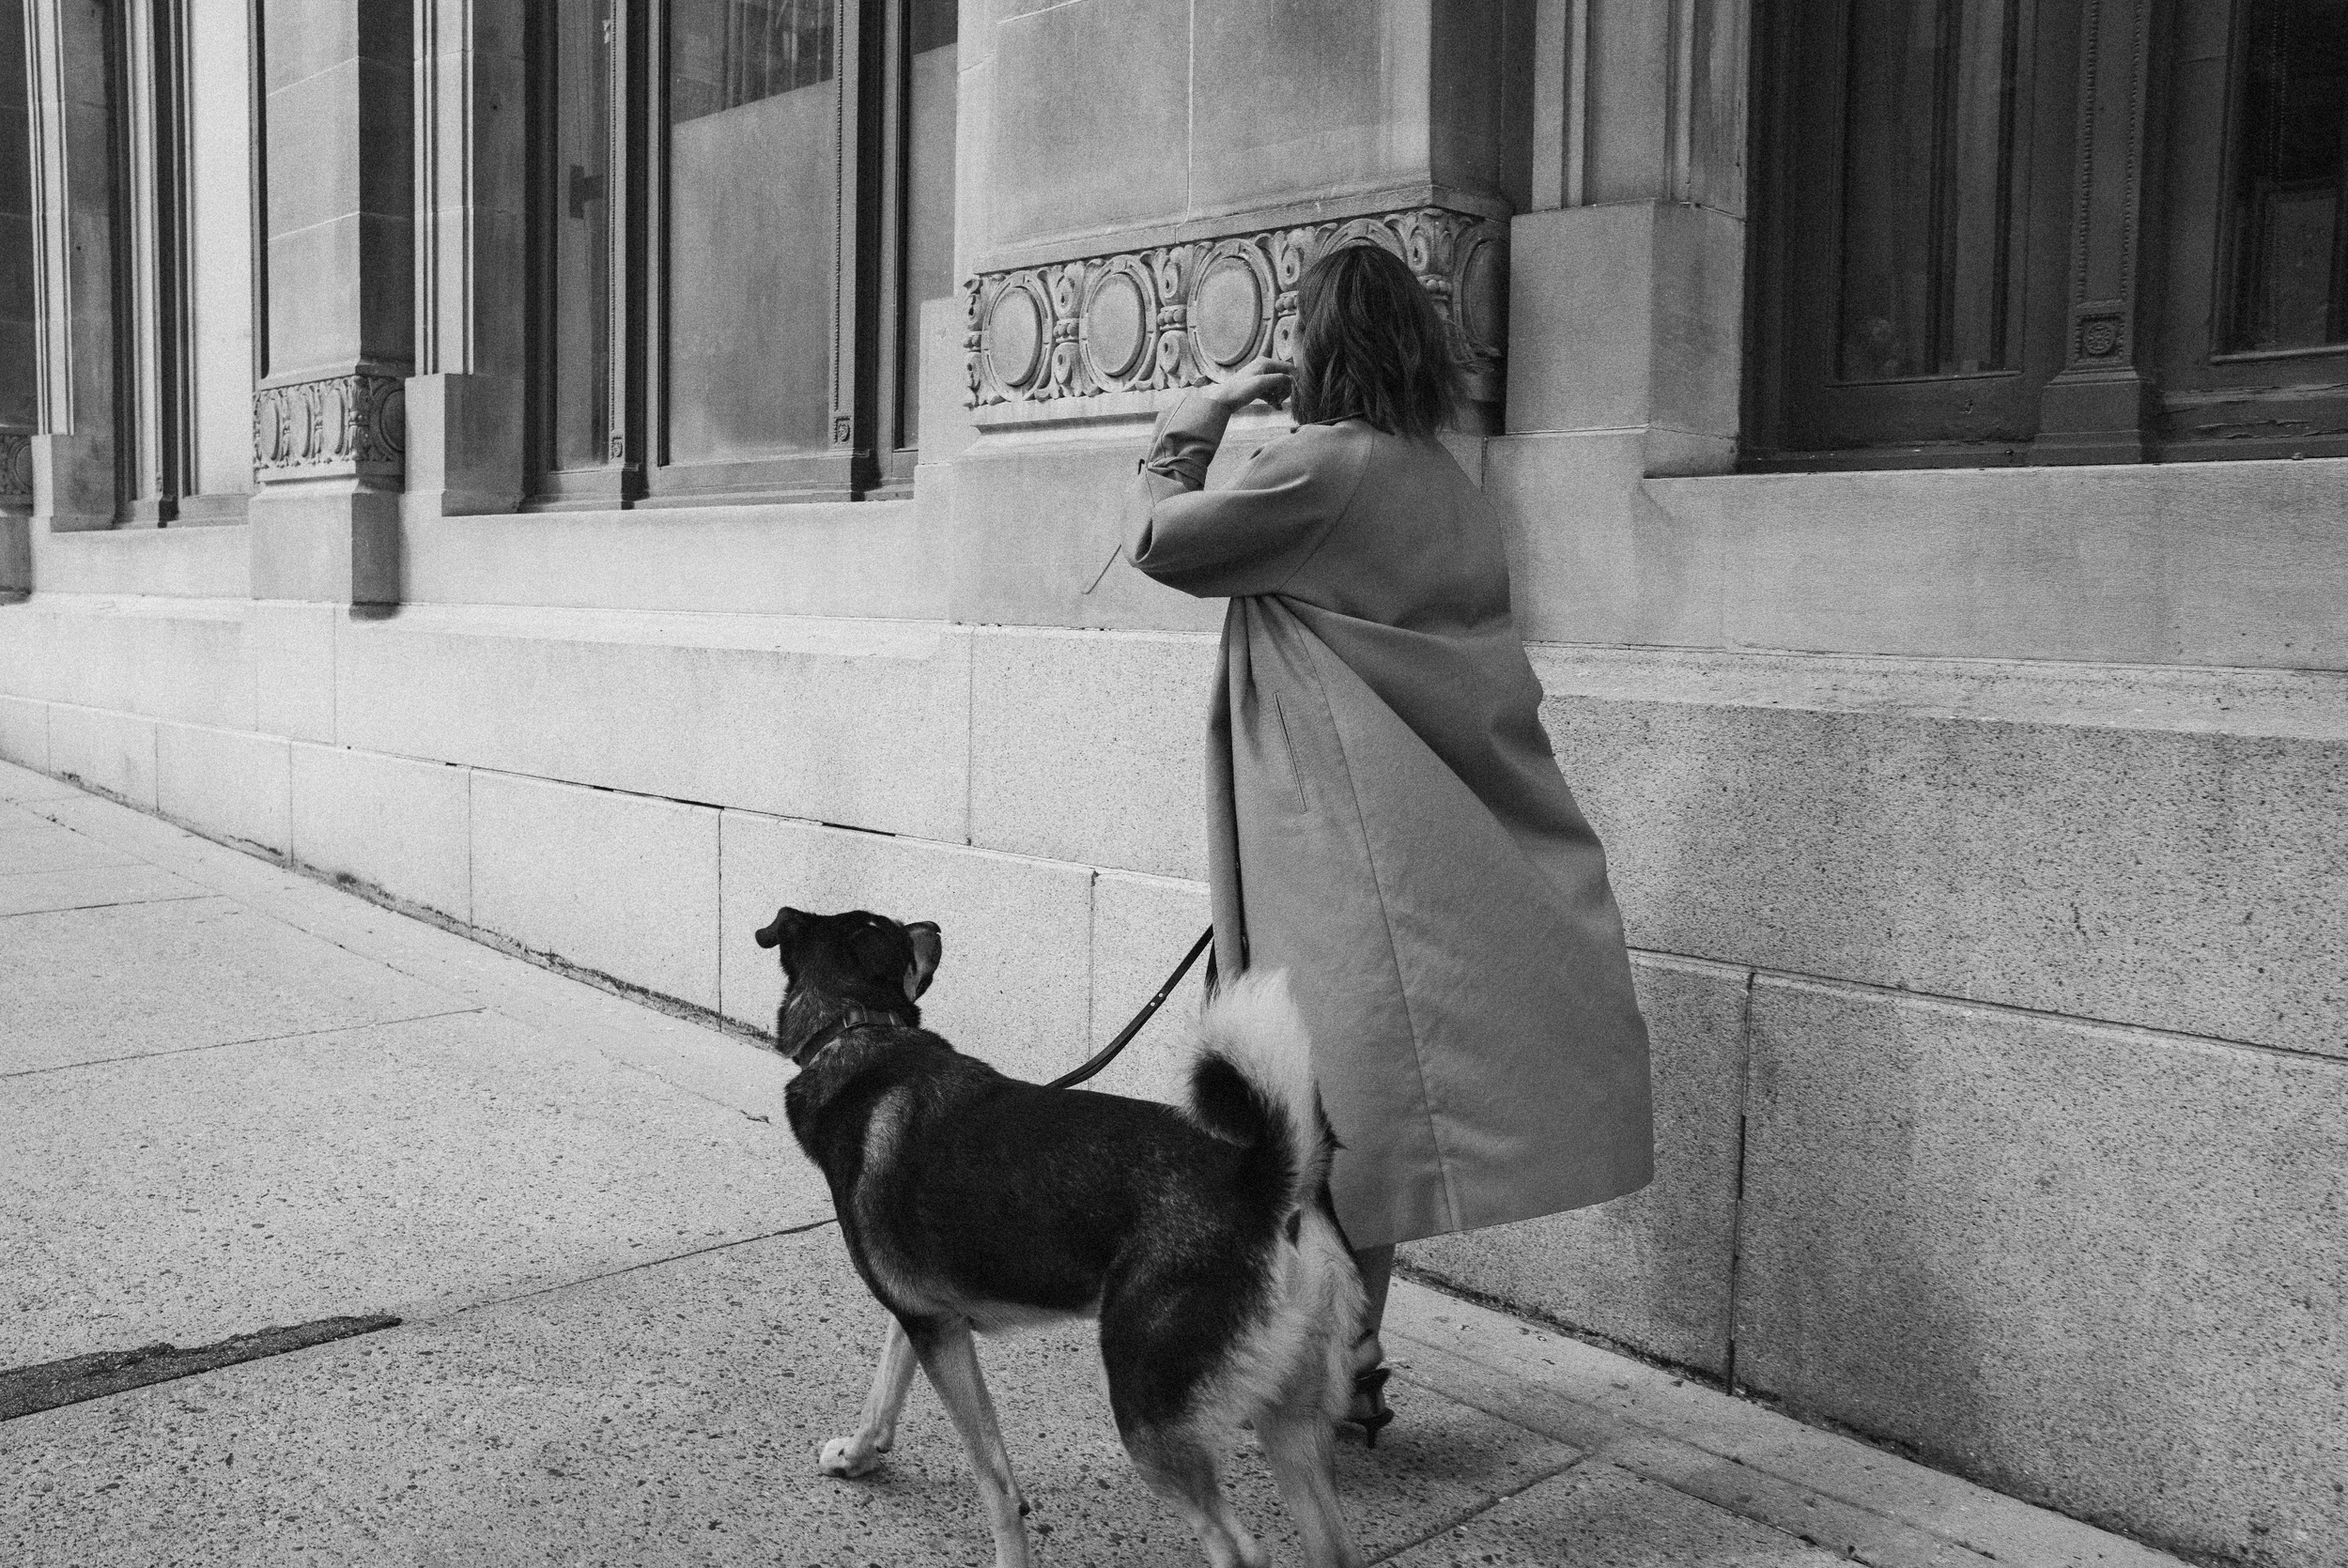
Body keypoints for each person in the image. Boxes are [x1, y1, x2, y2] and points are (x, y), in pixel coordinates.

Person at [1122, 242, 1655, 1440]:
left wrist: (1189, 422)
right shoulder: (1446, 483)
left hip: (1332, 845)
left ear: (1321, 349)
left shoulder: (1322, 472)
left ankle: (1322, 1365)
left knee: (1306, 1112)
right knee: (1365, 1115)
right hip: (1410, 844)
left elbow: (1160, 542)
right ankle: (1352, 1357)